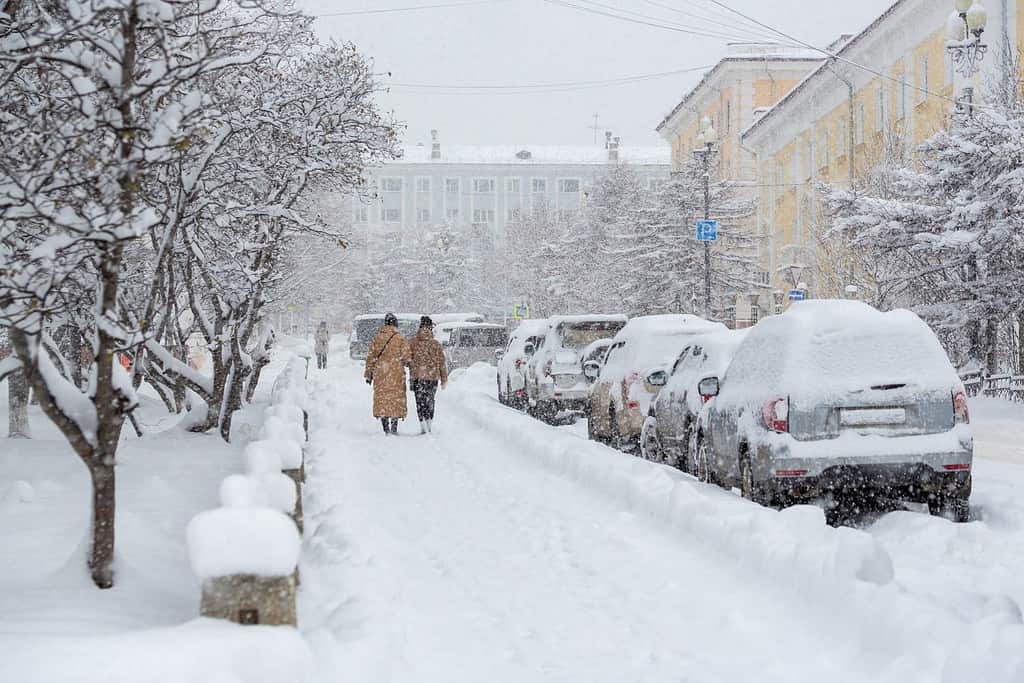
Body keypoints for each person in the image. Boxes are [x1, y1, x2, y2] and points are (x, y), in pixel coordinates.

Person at [364, 313, 411, 435]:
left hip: (381, 373)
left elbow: (370, 358)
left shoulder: (377, 338)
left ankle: (385, 427)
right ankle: (394, 427)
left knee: (382, 399)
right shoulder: (400, 338)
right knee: (396, 399)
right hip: (396, 374)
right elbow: (407, 358)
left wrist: (368, 374)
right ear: (395, 323)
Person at [408, 316, 448, 434]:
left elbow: (407, 360)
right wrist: (444, 379)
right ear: (430, 328)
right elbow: (442, 362)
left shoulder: (413, 343)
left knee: (419, 402)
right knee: (430, 400)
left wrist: (413, 366)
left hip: (417, 377)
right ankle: (429, 423)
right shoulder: (436, 344)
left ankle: (422, 424)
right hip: (432, 377)